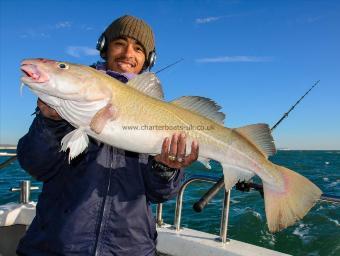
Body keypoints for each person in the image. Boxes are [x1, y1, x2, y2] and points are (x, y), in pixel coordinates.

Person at [17, 15, 199, 256]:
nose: (128, 53)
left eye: (138, 48)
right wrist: (50, 123)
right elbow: (36, 165)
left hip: (129, 248)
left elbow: (160, 193)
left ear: (148, 59)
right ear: (104, 47)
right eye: (119, 43)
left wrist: (165, 168)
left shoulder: (160, 114)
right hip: (56, 245)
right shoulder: (63, 105)